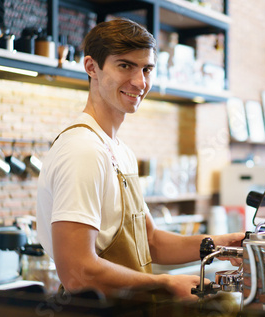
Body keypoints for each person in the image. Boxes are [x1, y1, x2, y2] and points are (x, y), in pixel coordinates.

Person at [36, 19, 244, 299]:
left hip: (126, 315)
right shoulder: (83, 151)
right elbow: (76, 272)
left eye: (146, 69)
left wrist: (220, 244)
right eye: (125, 66)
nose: (139, 82)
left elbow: (150, 242)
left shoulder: (120, 151)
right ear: (91, 67)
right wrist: (164, 284)